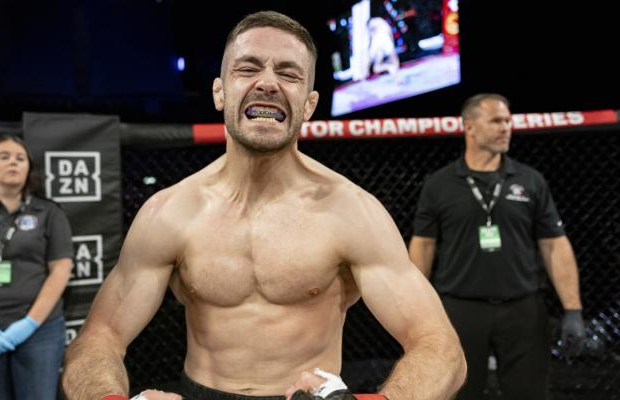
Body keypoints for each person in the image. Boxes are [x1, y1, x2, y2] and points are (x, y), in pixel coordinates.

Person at [62, 10, 466, 400]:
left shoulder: (352, 212)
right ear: (220, 92)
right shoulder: (169, 213)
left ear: (308, 105)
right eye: (248, 68)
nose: (268, 83)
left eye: (289, 74)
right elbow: (100, 337)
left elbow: (439, 346)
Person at [408, 93, 585, 400]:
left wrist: (573, 309)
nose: (506, 128)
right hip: (459, 309)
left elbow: (555, 245)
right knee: (459, 394)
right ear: (469, 127)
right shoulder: (440, 184)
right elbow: (423, 247)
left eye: (507, 120)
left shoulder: (530, 180)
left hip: (523, 309)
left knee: (529, 394)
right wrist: (413, 312)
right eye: (496, 121)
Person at [0, 134, 74, 399]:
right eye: (4, 156)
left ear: (29, 168)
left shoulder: (49, 211)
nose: (13, 163)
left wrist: (30, 323)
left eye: (20, 158)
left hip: (40, 329)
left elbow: (61, 269)